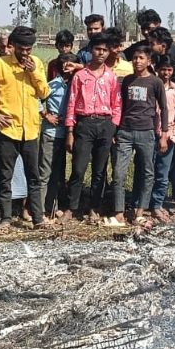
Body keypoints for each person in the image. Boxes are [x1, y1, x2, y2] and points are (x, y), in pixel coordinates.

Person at [0, 26, 52, 229]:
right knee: (5, 177)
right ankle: (5, 219)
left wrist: (34, 73)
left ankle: (38, 218)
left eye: (29, 49)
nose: (25, 53)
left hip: (30, 130)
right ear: (12, 47)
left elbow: (44, 93)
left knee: (34, 176)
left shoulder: (36, 64)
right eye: (21, 49)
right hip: (7, 130)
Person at [109, 44, 169, 227]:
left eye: (141, 58)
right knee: (118, 174)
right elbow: (121, 106)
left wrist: (164, 134)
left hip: (146, 132)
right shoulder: (126, 81)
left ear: (149, 61)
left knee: (146, 173)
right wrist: (116, 130)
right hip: (125, 132)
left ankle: (140, 212)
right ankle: (118, 213)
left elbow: (164, 109)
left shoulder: (155, 82)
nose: (137, 61)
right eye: (135, 58)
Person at [64, 33, 121, 222]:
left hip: (105, 124)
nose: (101, 53)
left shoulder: (111, 77)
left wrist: (113, 126)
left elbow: (117, 104)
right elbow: (71, 103)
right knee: (79, 169)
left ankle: (94, 208)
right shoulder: (80, 76)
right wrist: (70, 131)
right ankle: (71, 208)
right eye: (98, 49)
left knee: (100, 170)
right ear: (91, 51)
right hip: (84, 124)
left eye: (105, 50)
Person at [149, 53, 175, 223]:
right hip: (148, 135)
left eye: (169, 70)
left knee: (163, 174)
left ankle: (157, 204)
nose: (165, 73)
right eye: (162, 69)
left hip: (168, 137)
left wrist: (173, 136)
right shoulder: (150, 87)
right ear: (157, 70)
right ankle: (142, 204)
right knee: (147, 172)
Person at [40, 52, 78, 219]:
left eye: (71, 65)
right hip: (51, 133)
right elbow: (36, 99)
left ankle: (53, 206)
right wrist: (46, 114)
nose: (67, 68)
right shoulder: (52, 85)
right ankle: (40, 210)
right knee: (45, 172)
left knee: (59, 172)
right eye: (64, 64)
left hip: (68, 134)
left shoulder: (78, 84)